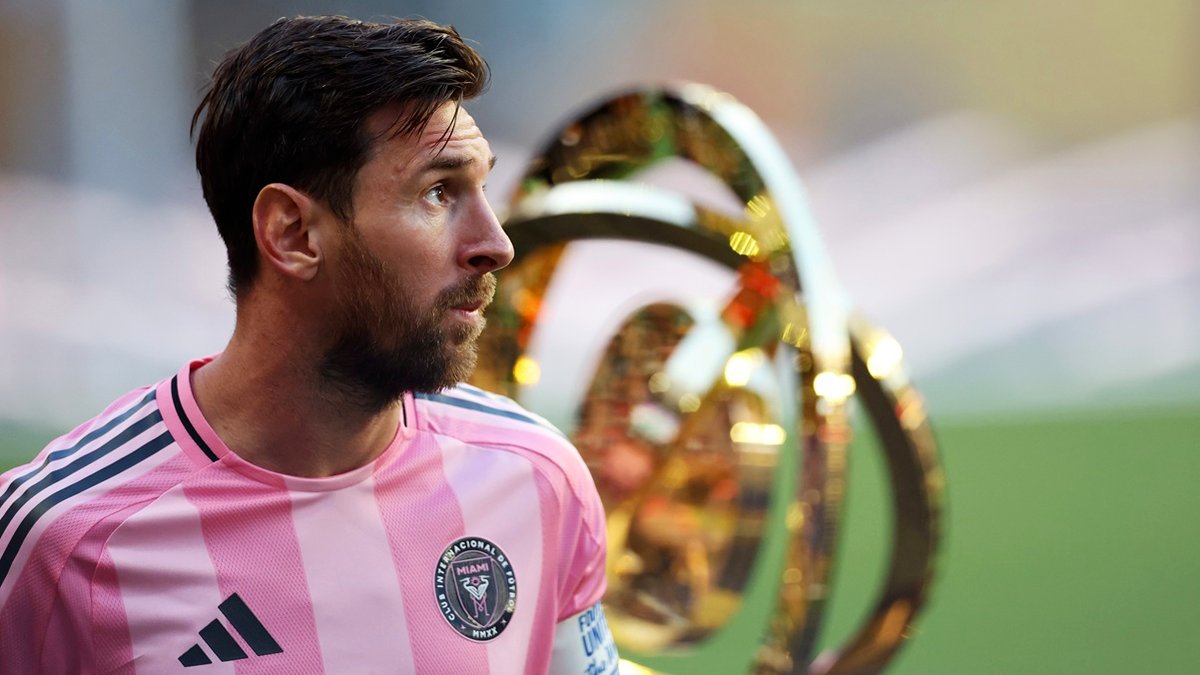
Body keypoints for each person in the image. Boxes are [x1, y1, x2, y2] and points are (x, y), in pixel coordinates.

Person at [0, 16, 617, 674]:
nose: (496, 244)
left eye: (482, 188)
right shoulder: (65, 540)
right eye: (438, 192)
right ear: (292, 233)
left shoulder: (535, 476)